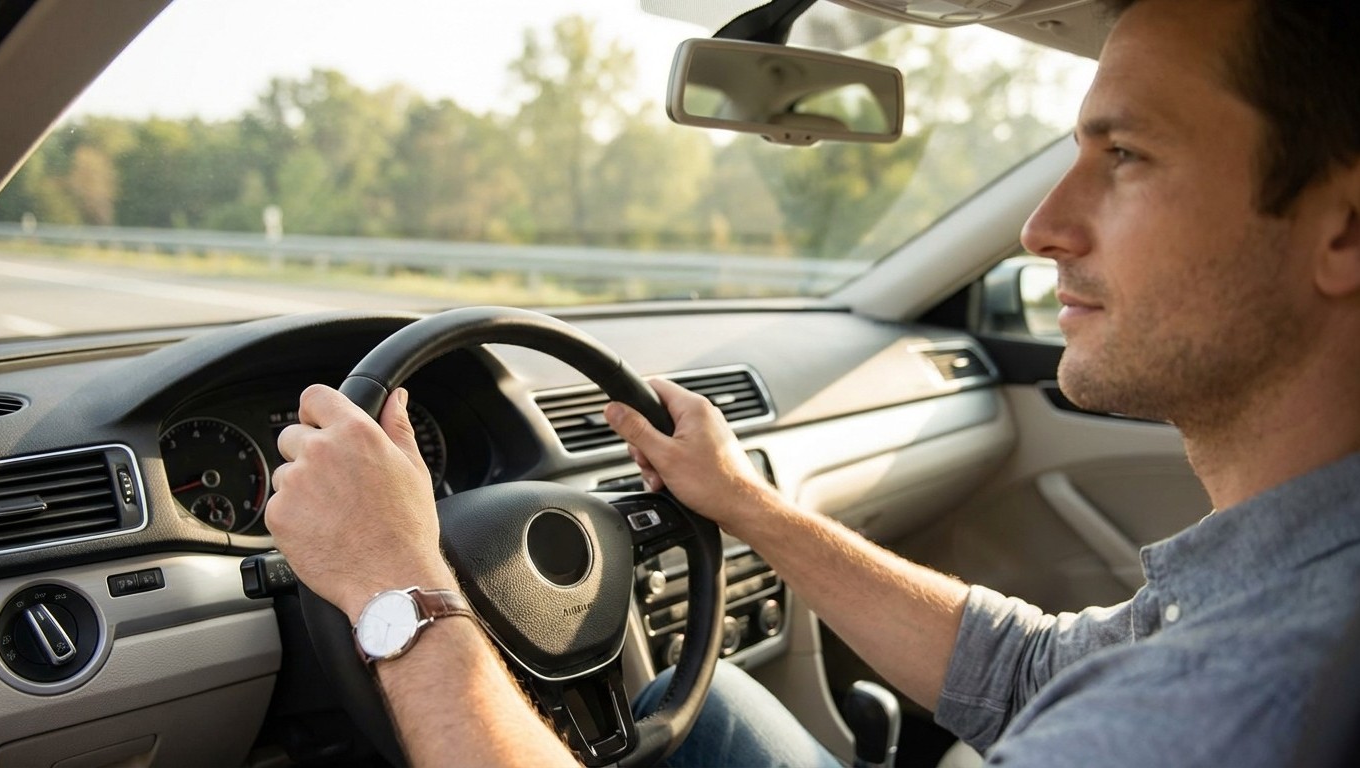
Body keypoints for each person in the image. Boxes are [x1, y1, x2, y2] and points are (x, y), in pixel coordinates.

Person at [265, 0, 1360, 765]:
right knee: (691, 711)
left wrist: (398, 589)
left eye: (1125, 156)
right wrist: (746, 506)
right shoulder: (1285, 575)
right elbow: (1035, 673)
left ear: (1345, 227)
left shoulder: (1219, 704)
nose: (1040, 227)